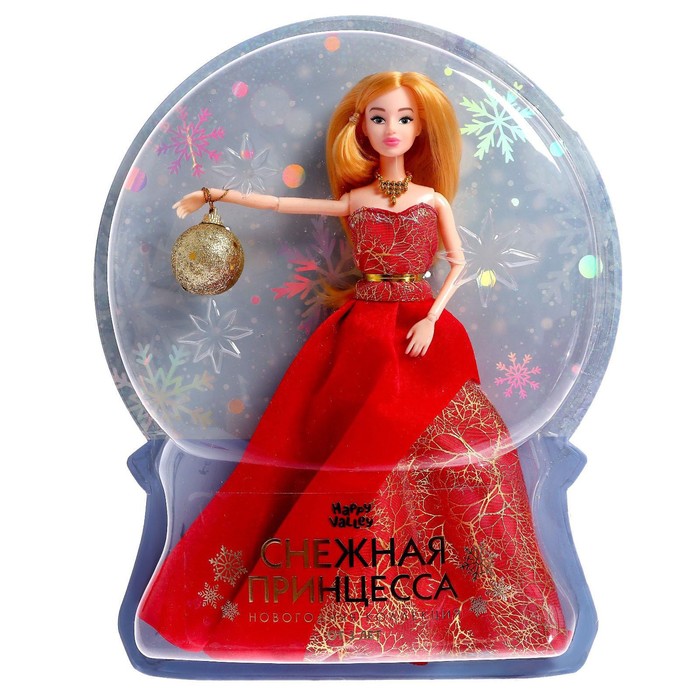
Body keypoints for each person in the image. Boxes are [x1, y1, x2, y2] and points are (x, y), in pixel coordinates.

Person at [138, 71, 570, 662]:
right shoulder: (357, 200)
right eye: (379, 118)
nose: (392, 129)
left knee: (452, 447)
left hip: (422, 331)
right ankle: (339, 588)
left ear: (422, 129)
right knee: (338, 442)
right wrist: (217, 195)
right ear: (360, 126)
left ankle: (472, 611)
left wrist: (431, 316)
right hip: (363, 332)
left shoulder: (432, 200)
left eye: (405, 119)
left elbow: (458, 263)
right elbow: (284, 204)